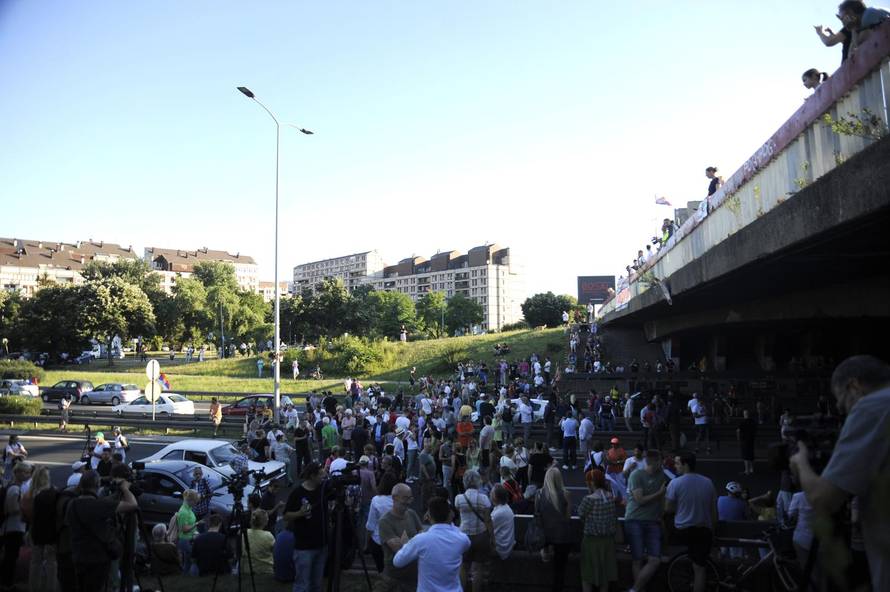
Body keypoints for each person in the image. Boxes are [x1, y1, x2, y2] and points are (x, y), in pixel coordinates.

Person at [790, 355, 890, 590]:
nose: (841, 410)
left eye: (842, 402)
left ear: (854, 386)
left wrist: (801, 462)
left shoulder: (873, 406)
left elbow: (823, 499)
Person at [66, 469, 138, 591]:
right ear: (97, 485)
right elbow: (132, 504)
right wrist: (125, 489)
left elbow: (98, 504)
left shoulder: (72, 504)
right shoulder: (99, 506)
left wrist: (116, 494)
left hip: (78, 555)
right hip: (97, 558)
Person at [393, 496, 470, 592]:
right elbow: (462, 540)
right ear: (451, 514)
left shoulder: (420, 540)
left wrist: (405, 544)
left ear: (428, 516)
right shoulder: (462, 539)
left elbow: (398, 562)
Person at [666, 453, 717, 592]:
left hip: (682, 530)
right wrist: (713, 530)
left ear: (685, 465)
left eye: (677, 463)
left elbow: (668, 508)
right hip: (703, 530)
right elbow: (713, 511)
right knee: (700, 568)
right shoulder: (708, 482)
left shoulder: (675, 483)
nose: (675, 466)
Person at [284, 462, 331, 592]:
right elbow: (286, 516)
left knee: (317, 584)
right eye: (320, 474)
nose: (323, 477)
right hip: (304, 548)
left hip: (322, 545)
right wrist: (300, 513)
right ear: (312, 476)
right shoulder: (297, 493)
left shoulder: (323, 489)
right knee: (302, 585)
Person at [624, 449, 668, 592]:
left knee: (655, 559)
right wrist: (659, 493)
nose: (663, 463)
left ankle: (635, 589)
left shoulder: (661, 475)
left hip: (653, 520)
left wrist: (661, 514)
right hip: (634, 519)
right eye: (660, 460)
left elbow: (662, 499)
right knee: (637, 559)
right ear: (654, 462)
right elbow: (640, 500)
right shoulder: (636, 475)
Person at [376, 483, 423, 591]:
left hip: (414, 577)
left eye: (410, 498)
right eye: (405, 498)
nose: (409, 502)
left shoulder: (412, 514)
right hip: (395, 579)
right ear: (394, 498)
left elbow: (422, 538)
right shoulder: (385, 521)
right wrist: (417, 542)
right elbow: (400, 550)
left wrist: (407, 542)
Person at [577, 469, 618, 592]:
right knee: (605, 573)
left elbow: (581, 514)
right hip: (608, 541)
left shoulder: (589, 499)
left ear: (591, 483)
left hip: (591, 541)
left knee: (587, 574)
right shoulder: (610, 496)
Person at [536, 467, 574, 591]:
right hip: (562, 537)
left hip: (546, 536)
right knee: (560, 569)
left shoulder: (539, 494)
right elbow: (568, 518)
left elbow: (537, 515)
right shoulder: (566, 494)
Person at [454, 470, 492, 592]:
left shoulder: (459, 498)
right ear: (478, 481)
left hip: (464, 535)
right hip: (481, 535)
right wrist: (492, 537)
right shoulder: (484, 499)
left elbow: (458, 514)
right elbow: (488, 520)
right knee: (478, 568)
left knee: (463, 567)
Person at [1, 462, 30, 588]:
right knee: (11, 556)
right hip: (13, 527)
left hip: (13, 526)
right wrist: (25, 508)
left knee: (11, 556)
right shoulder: (15, 489)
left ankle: (7, 582)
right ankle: (7, 583)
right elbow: (12, 508)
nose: (28, 475)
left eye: (28, 472)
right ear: (17, 473)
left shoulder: (15, 487)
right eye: (25, 472)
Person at [366, 471, 398, 573]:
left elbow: (370, 524)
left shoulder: (376, 500)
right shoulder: (399, 501)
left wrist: (366, 542)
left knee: (381, 569)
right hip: (395, 540)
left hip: (378, 540)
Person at [176, 489, 201, 573]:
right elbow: (185, 529)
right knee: (193, 560)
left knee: (187, 562)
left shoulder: (189, 509)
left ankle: (186, 575)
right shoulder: (184, 512)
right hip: (185, 540)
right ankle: (193, 575)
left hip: (189, 539)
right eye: (195, 501)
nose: (196, 503)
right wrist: (196, 524)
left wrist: (196, 532)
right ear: (190, 500)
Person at [489, 484, 515, 561]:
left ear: (495, 497)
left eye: (491, 493)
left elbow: (486, 528)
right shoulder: (505, 507)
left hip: (501, 549)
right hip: (506, 546)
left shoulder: (499, 512)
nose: (489, 495)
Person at [246, 509, 276, 575]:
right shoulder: (268, 536)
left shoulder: (243, 533)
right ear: (266, 522)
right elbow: (275, 553)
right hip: (265, 571)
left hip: (246, 570)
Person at [737, 409, 757, 475]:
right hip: (751, 440)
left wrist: (738, 439)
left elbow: (738, 431)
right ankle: (752, 469)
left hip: (744, 440)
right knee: (751, 454)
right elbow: (755, 430)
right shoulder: (753, 422)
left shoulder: (742, 422)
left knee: (745, 455)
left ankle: (747, 470)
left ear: (744, 414)